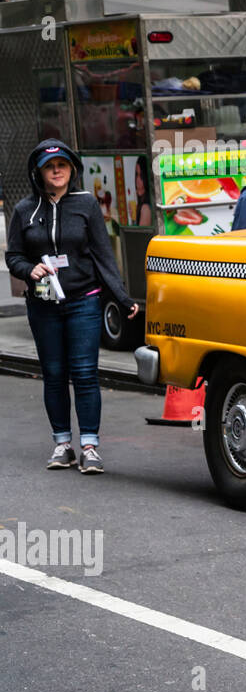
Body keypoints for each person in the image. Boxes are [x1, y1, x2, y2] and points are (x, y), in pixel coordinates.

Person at [4, 139, 139, 474]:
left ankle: (89, 447)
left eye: (62, 165)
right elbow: (13, 255)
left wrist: (122, 298)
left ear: (71, 169)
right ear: (39, 173)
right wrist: (27, 269)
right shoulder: (24, 210)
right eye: (49, 167)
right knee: (53, 373)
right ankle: (62, 444)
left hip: (84, 300)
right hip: (43, 303)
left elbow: (102, 254)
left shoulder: (86, 204)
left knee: (85, 374)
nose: (56, 171)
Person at [133, 156, 153, 226]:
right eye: (136, 175)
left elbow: (141, 236)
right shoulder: (140, 204)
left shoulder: (145, 209)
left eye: (141, 176)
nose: (137, 181)